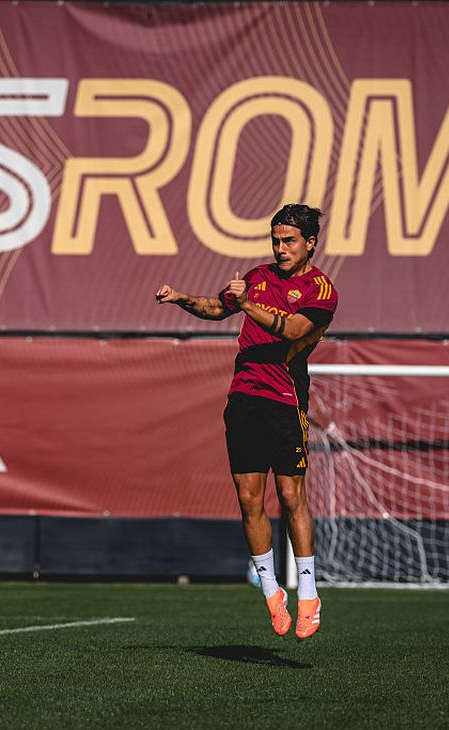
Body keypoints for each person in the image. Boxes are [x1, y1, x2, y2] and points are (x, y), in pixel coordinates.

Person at [155, 203, 338, 639]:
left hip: (285, 400)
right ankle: (272, 592)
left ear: (310, 243)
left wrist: (246, 303)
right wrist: (182, 298)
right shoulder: (257, 276)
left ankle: (308, 594)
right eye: (276, 240)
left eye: (289, 240)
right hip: (244, 398)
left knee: (291, 495)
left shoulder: (322, 290)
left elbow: (291, 330)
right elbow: (218, 309)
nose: (280, 248)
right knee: (248, 497)